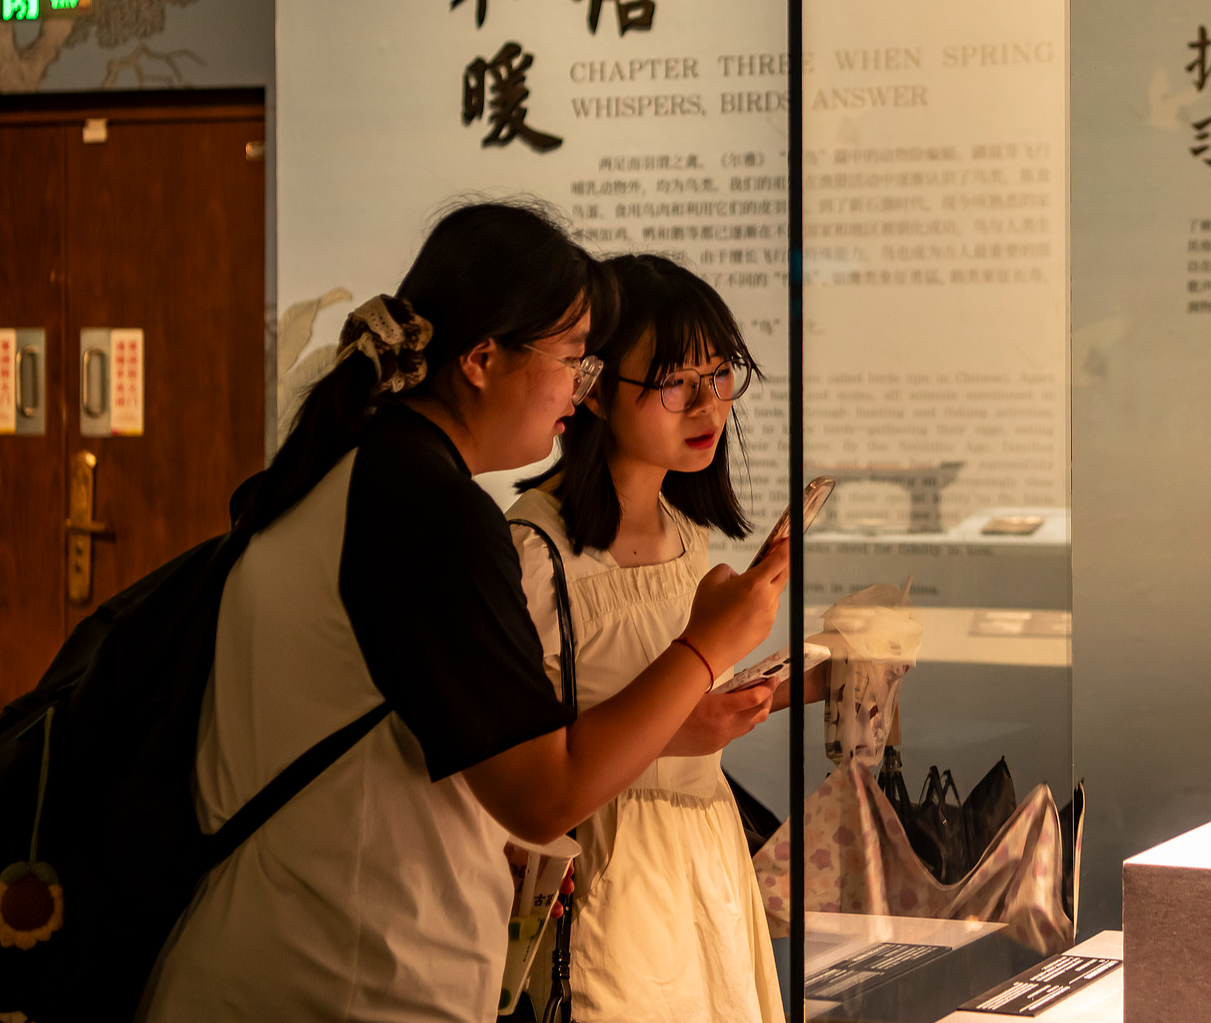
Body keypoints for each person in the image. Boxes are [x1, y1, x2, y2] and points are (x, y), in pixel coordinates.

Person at [141, 203, 790, 1022]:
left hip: (287, 954)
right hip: (345, 974)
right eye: (570, 359)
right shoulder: (430, 512)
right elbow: (542, 794)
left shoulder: (352, 471)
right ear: (482, 359)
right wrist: (705, 643)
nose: (578, 388)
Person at [506, 254, 803, 1023]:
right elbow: (510, 759)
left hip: (705, 854)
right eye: (676, 382)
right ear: (595, 388)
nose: (709, 405)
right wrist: (679, 727)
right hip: (606, 866)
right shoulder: (536, 551)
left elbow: (693, 703)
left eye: (721, 373)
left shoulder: (685, 536)